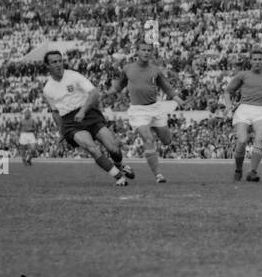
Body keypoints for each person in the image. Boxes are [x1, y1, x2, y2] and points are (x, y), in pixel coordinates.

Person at [40, 49, 135, 186]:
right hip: (70, 122)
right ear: (47, 66)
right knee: (92, 148)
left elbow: (94, 93)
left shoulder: (74, 76)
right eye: (54, 62)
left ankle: (119, 165)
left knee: (113, 148)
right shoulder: (47, 89)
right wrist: (61, 131)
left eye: (60, 61)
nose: (58, 64)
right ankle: (119, 177)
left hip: (89, 114)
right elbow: (55, 112)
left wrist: (83, 111)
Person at [109, 41, 184, 184]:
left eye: (149, 50)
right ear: (137, 52)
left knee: (167, 141)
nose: (146, 52)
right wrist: (109, 92)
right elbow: (119, 84)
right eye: (143, 50)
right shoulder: (127, 68)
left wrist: (179, 100)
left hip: (155, 108)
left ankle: (156, 130)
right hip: (138, 111)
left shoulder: (155, 70)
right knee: (148, 139)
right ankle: (158, 175)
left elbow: (167, 87)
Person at [225, 51, 262, 183]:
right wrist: (228, 105)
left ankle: (253, 172)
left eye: (260, 59)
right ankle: (238, 169)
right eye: (255, 59)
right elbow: (228, 91)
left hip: (260, 110)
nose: (258, 61)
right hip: (244, 109)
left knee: (260, 137)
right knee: (242, 140)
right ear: (251, 61)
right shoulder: (243, 75)